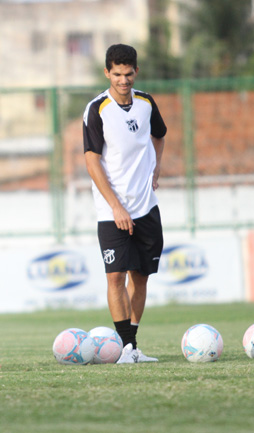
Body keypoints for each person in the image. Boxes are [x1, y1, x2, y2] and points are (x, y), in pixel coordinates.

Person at [82, 44, 166, 363]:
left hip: (145, 207)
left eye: (128, 74)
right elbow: (92, 162)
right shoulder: (97, 109)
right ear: (107, 73)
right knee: (115, 276)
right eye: (117, 74)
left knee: (140, 277)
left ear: (136, 72)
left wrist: (157, 168)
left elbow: (159, 135)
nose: (123, 80)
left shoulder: (146, 103)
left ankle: (132, 346)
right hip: (110, 211)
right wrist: (116, 206)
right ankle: (125, 347)